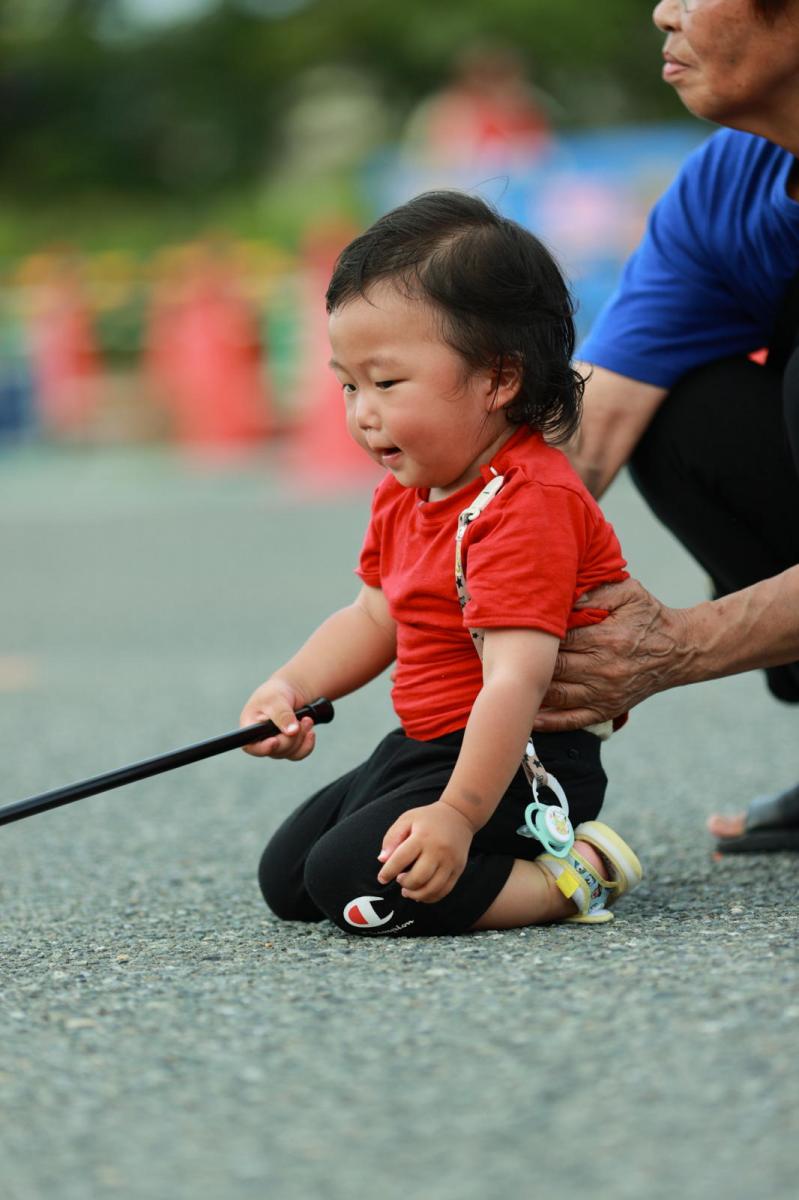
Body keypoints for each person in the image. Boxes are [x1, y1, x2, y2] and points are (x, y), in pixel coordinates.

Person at [239, 192, 642, 938]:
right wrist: (292, 685)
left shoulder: (527, 503)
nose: (361, 411)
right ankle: (463, 845)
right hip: (427, 742)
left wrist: (458, 815)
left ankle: (575, 873)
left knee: (354, 884)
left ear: (497, 379)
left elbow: (515, 678)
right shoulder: (410, 491)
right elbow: (373, 615)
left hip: (520, 758)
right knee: (289, 878)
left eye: (386, 383)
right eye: (348, 385)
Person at [533, 0, 799, 854]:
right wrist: (429, 585)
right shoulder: (727, 185)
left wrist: (672, 647)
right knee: (686, 414)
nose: (662, 11)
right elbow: (588, 431)